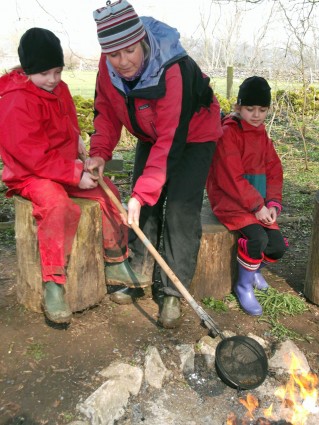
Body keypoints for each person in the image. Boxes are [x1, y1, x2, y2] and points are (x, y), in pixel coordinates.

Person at [86, 0, 222, 328]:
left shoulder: (171, 69)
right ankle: (137, 273)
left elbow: (170, 141)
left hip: (193, 132)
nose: (123, 62)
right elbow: (105, 110)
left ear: (143, 40)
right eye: (114, 55)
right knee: (142, 205)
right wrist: (100, 151)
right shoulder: (108, 67)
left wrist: (144, 190)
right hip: (153, 134)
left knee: (179, 207)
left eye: (130, 51)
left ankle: (172, 291)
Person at [0, 27, 149, 325]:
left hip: (64, 167)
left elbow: (66, 122)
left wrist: (78, 143)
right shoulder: (15, 99)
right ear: (28, 69)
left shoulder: (60, 89)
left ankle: (115, 260)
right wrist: (73, 174)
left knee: (106, 190)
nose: (54, 79)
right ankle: (54, 282)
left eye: (58, 71)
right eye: (45, 73)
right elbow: (30, 154)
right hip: (31, 174)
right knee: (57, 204)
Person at [206, 76, 288, 316]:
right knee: (257, 241)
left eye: (262, 110)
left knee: (277, 247)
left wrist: (272, 204)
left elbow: (274, 171)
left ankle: (252, 271)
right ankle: (243, 286)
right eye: (250, 109)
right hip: (230, 202)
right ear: (237, 108)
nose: (256, 115)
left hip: (258, 205)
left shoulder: (262, 136)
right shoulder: (228, 134)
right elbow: (230, 177)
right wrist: (256, 206)